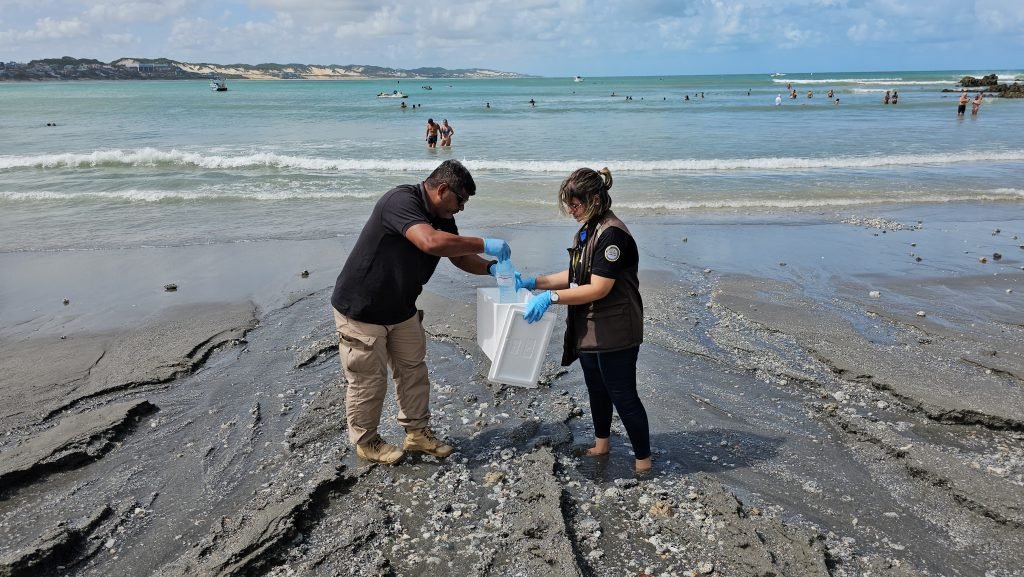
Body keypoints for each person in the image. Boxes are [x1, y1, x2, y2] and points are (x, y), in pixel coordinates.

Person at [331, 160, 512, 464]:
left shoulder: (442, 216)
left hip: (402, 307)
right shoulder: (400, 201)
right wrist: (487, 242)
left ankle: (417, 434)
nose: (461, 209)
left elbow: (458, 255)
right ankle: (366, 441)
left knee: (413, 371)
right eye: (461, 201)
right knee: (368, 379)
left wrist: (492, 268)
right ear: (442, 189)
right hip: (363, 308)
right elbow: (429, 242)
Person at [516, 168, 651, 474]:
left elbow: (599, 287)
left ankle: (643, 460)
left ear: (594, 198)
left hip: (616, 328)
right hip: (590, 326)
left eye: (575, 205)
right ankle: (601, 443)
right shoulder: (588, 229)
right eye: (568, 205)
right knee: (596, 388)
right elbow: (578, 275)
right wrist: (535, 282)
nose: (570, 210)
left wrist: (551, 299)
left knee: (623, 394)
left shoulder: (612, 233)